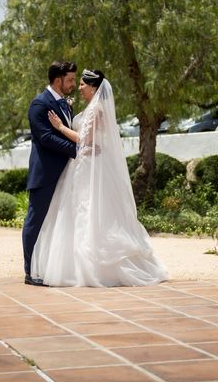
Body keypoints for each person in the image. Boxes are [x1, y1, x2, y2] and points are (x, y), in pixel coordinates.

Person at [31, 69, 168, 287]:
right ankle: (76, 264)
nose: (79, 87)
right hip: (82, 166)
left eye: (83, 84)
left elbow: (83, 140)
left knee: (88, 211)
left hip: (87, 167)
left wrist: (60, 127)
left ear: (94, 87)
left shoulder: (96, 110)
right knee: (77, 213)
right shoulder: (91, 108)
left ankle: (95, 267)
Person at [22, 61, 78, 286]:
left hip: (66, 175)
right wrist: (77, 150)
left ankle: (49, 267)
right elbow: (45, 138)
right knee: (35, 221)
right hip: (45, 174)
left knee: (56, 223)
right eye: (71, 80)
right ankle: (29, 272)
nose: (74, 84)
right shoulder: (39, 104)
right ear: (58, 80)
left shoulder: (65, 105)